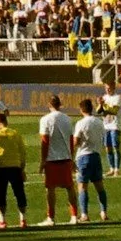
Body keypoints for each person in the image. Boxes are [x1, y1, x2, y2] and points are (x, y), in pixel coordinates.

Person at [38, 93, 78, 228]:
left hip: (52, 159)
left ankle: (51, 217)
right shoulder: (67, 119)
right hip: (66, 157)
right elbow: (71, 140)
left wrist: (43, 160)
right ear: (60, 104)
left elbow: (45, 141)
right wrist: (71, 157)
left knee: (50, 189)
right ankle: (74, 216)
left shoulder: (45, 119)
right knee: (70, 187)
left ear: (49, 105)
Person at [71, 97, 109, 224]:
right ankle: (104, 212)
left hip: (83, 155)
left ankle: (84, 214)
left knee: (82, 186)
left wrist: (71, 152)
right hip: (96, 155)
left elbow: (76, 141)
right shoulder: (99, 122)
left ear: (81, 110)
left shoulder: (81, 123)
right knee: (99, 186)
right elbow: (103, 137)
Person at [0, 112, 27, 230]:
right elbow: (23, 152)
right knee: (19, 193)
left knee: (1, 194)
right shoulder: (15, 134)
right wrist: (22, 168)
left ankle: (2, 221)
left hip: (1, 168)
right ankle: (23, 220)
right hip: (15, 167)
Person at [99, 85, 121, 177]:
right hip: (106, 126)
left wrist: (104, 105)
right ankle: (111, 168)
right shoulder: (104, 97)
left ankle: (117, 169)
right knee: (108, 147)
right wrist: (100, 104)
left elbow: (114, 111)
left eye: (109, 88)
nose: (107, 90)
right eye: (106, 88)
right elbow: (98, 111)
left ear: (113, 88)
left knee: (115, 147)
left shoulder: (117, 97)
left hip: (115, 126)